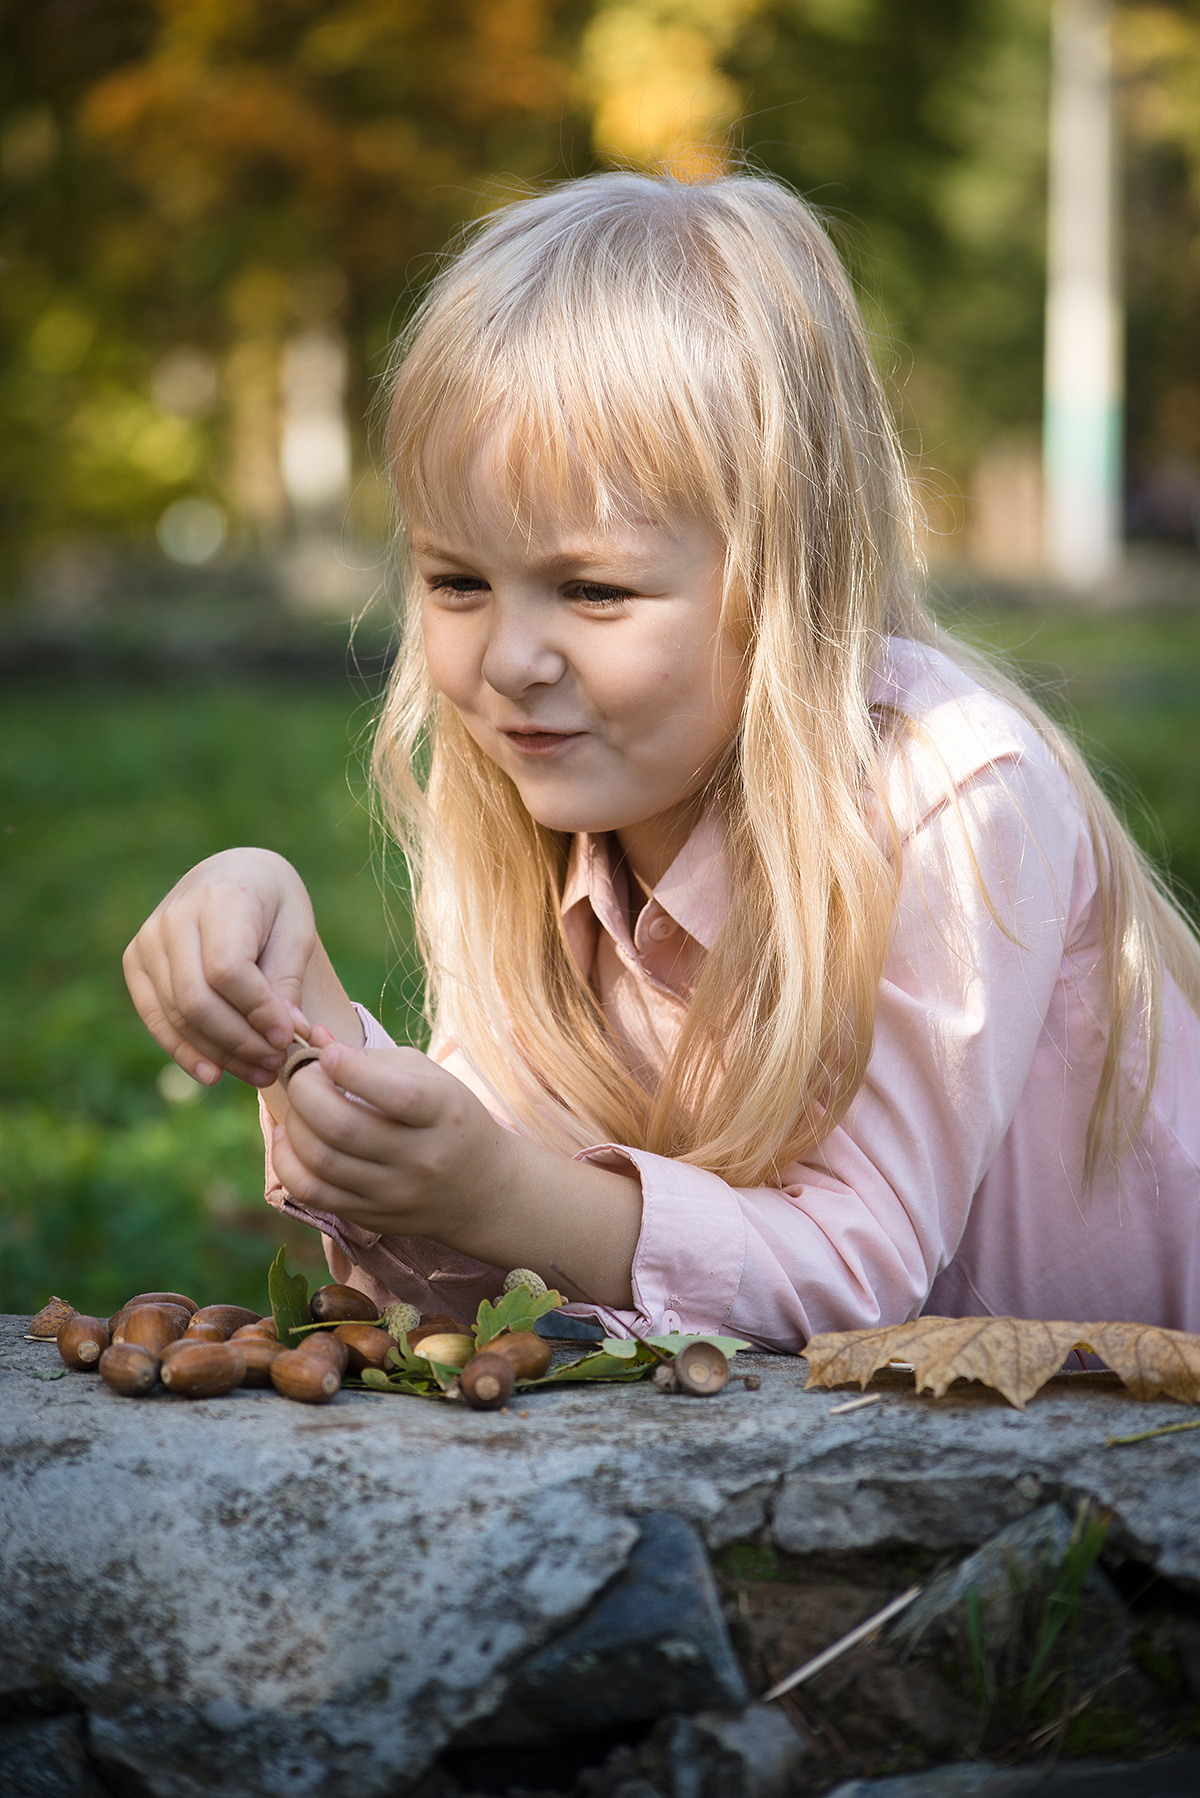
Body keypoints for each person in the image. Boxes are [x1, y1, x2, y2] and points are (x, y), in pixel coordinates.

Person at [124, 171, 1200, 1349]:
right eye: (457, 582)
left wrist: (499, 1190)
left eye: (593, 589)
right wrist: (298, 1019)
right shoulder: (540, 824)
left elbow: (852, 1274)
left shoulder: (954, 792)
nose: (513, 659)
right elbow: (501, 1290)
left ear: (787, 584)